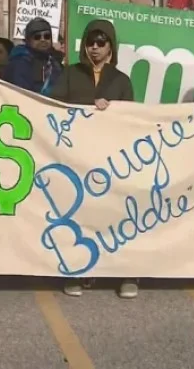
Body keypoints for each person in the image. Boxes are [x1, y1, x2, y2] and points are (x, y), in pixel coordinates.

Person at [50, 19, 137, 298]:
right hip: (77, 156)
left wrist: (112, 111)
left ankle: (126, 274)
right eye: (90, 42)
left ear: (111, 46)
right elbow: (53, 106)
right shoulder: (70, 74)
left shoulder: (121, 80)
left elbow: (132, 119)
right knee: (79, 215)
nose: (95, 47)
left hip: (112, 160)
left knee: (116, 214)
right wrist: (87, 107)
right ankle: (78, 271)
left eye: (101, 42)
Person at [2, 18, 63, 95]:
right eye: (37, 37)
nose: (43, 39)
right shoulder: (20, 63)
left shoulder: (55, 63)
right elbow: (22, 94)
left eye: (47, 36)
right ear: (28, 40)